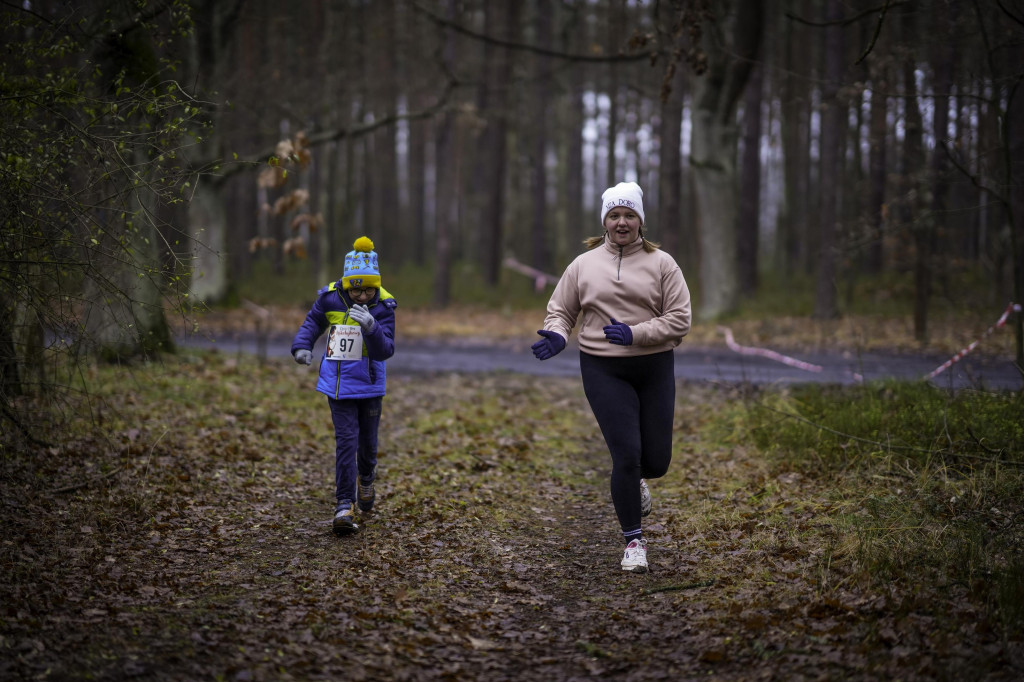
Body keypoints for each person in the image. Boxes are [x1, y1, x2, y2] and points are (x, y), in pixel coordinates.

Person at [532, 182, 691, 573]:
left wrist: (636, 333)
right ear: (604, 221)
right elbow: (561, 310)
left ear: (641, 221)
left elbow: (680, 320)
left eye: (629, 215)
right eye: (615, 215)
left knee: (656, 460)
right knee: (626, 456)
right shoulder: (583, 265)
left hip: (654, 366)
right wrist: (556, 334)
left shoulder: (663, 264)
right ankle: (633, 541)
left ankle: (638, 478)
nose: (622, 222)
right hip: (602, 366)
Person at [291, 236, 397, 535]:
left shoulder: (384, 306)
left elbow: (385, 350)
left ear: (376, 286)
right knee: (346, 443)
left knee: (367, 446)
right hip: (338, 387)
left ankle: (366, 478)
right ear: (347, 284)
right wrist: (301, 346)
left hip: (370, 387)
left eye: (368, 290)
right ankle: (344, 505)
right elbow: (312, 322)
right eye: (356, 289)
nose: (362, 296)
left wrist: (371, 326)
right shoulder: (330, 298)